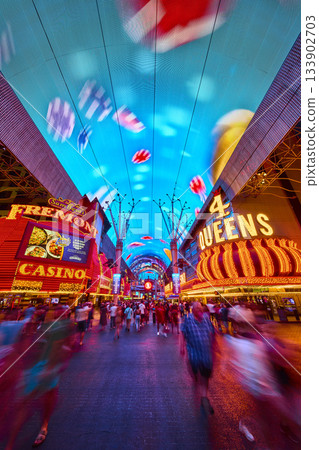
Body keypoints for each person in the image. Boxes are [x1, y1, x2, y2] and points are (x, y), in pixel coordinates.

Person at [180, 302, 217, 414]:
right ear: (192, 310)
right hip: (194, 353)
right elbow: (182, 332)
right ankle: (201, 392)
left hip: (206, 354)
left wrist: (215, 346)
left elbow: (212, 332)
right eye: (197, 308)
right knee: (198, 373)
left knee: (205, 377)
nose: (200, 310)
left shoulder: (206, 319)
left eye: (201, 308)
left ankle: (204, 397)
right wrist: (182, 346)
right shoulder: (188, 320)